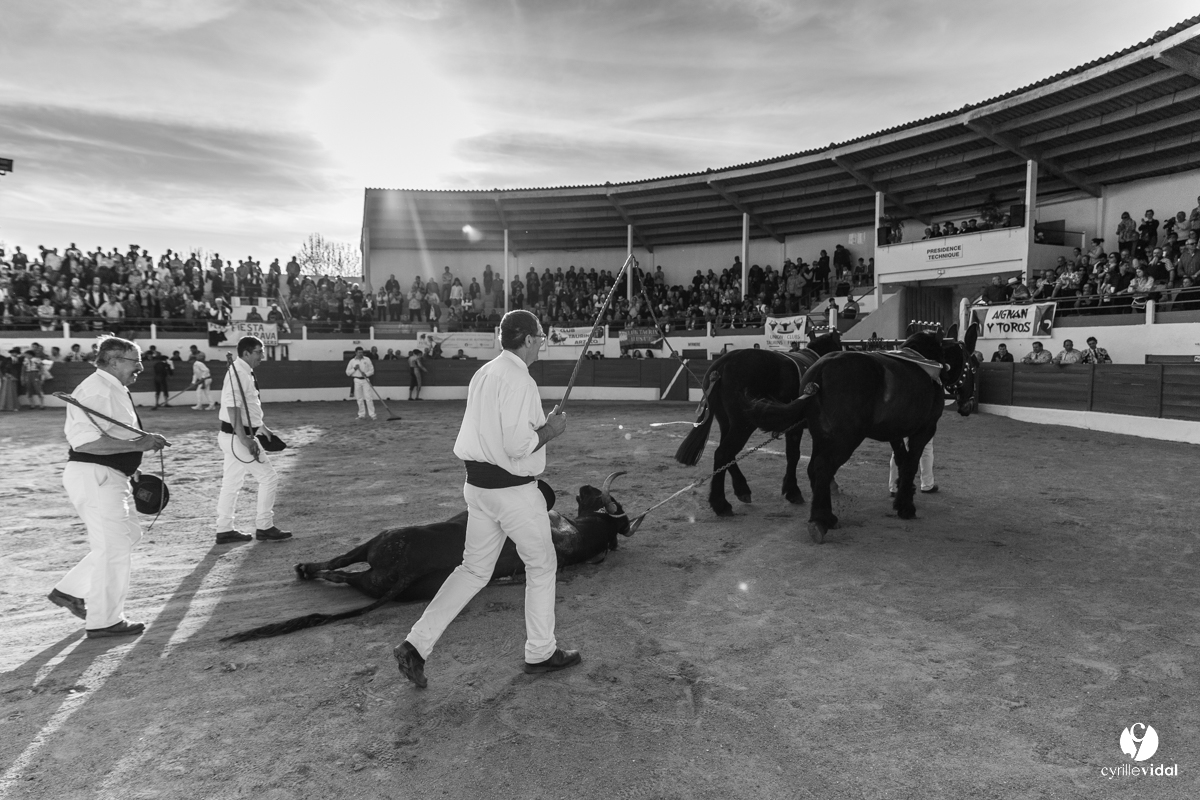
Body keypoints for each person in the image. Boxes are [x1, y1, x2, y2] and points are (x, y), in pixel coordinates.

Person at [394, 309, 571, 688]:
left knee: (472, 570)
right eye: (540, 336)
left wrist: (540, 426)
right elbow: (517, 445)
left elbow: (496, 433)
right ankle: (541, 651)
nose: (542, 342)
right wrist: (550, 431)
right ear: (526, 339)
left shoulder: (485, 372)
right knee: (541, 566)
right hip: (512, 492)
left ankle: (416, 645)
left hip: (478, 488)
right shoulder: (521, 380)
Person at [50, 335, 170, 637]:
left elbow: (112, 437)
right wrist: (140, 443)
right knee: (114, 547)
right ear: (114, 360)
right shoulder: (98, 390)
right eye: (135, 361)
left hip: (109, 475)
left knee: (128, 535)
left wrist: (134, 463)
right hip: (96, 475)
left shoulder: (110, 388)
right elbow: (87, 443)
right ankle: (104, 620)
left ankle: (69, 590)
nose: (141, 367)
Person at [214, 336, 292, 545]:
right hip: (237, 437)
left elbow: (248, 407)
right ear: (246, 353)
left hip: (235, 436)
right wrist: (245, 438)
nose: (262, 356)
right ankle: (265, 526)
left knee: (231, 483)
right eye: (259, 351)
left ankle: (224, 529)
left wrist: (261, 428)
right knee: (268, 477)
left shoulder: (243, 371)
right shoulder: (238, 372)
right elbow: (233, 408)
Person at [346, 346, 377, 420]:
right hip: (357, 380)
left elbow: (372, 370)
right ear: (356, 353)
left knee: (368, 397)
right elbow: (347, 373)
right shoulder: (352, 361)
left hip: (365, 380)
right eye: (359, 352)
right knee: (359, 398)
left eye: (362, 352)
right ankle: (361, 414)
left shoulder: (367, 359)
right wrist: (354, 369)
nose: (361, 354)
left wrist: (366, 374)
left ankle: (372, 414)